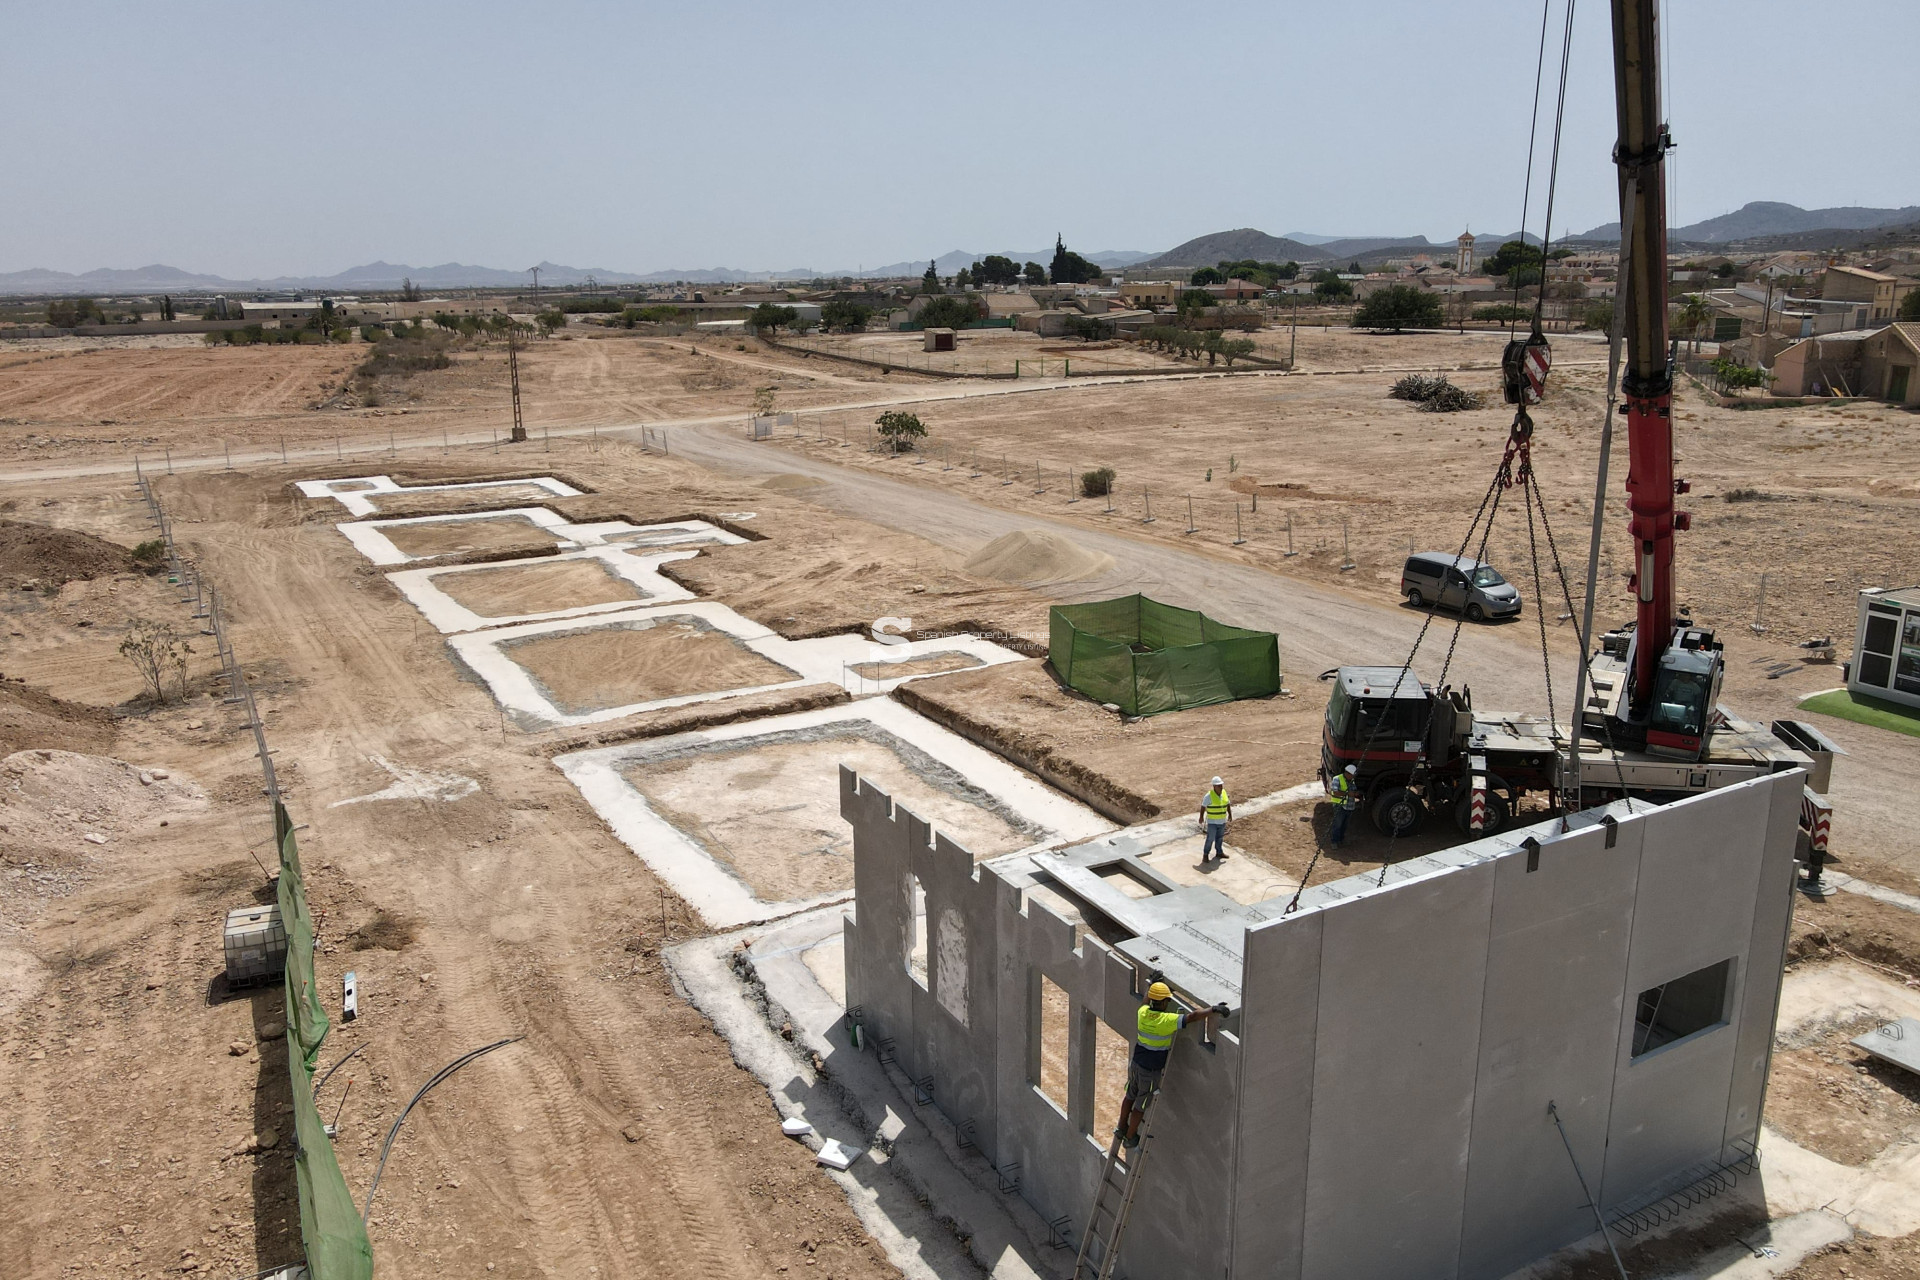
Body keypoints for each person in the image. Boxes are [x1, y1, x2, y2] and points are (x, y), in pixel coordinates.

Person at [1116, 980, 1227, 1147]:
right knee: (1140, 1104)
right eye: (1167, 1000)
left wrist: (1152, 985)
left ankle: (1121, 1127)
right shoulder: (1166, 1020)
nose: (1168, 1003)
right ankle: (1130, 1137)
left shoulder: (1142, 1013)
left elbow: (1145, 1000)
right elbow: (1192, 1017)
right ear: (1162, 1003)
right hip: (1150, 1071)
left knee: (1129, 1096)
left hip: (1136, 1064)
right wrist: (1213, 1010)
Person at [1198, 776, 1232, 863]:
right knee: (1210, 839)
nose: (1220, 787)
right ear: (1214, 786)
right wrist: (1201, 817)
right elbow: (1203, 806)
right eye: (1218, 785)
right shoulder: (1209, 796)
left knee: (1220, 838)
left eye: (1221, 785)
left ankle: (1219, 852)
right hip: (1212, 822)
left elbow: (1227, 804)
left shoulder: (1224, 793)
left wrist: (1230, 814)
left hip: (1222, 821)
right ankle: (1205, 855)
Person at [1328, 764, 1359, 849]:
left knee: (1344, 825)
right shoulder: (1337, 779)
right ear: (1347, 773)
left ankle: (1340, 840)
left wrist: (1356, 794)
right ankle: (1334, 841)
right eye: (1352, 775)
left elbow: (1354, 791)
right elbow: (1335, 792)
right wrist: (1348, 794)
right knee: (1337, 825)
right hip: (1340, 806)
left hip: (1349, 807)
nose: (1353, 777)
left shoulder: (1352, 781)